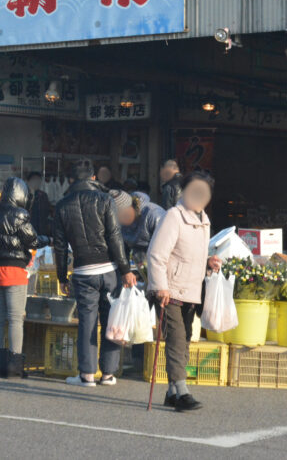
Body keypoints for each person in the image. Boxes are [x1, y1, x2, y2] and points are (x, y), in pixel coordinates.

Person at [52, 160, 136, 387]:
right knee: (112, 321)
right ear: (92, 178)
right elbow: (115, 237)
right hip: (109, 270)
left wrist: (62, 276)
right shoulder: (105, 200)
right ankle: (108, 374)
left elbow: (59, 246)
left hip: (82, 271)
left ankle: (87, 375)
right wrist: (126, 269)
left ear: (71, 180)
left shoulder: (61, 206)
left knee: (87, 322)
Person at [146, 172, 221, 412]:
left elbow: (192, 253)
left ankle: (171, 392)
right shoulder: (173, 217)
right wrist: (160, 287)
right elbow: (156, 254)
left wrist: (208, 262)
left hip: (192, 290)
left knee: (185, 339)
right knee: (177, 340)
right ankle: (182, 391)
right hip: (171, 289)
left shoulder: (204, 220)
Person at [0, 177, 48, 378]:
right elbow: (32, 240)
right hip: (14, 271)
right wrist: (50, 239)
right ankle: (15, 365)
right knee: (15, 319)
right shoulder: (20, 214)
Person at [109, 189, 166, 267]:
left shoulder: (154, 214)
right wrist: (126, 271)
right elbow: (122, 248)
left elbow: (164, 248)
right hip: (141, 263)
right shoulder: (119, 222)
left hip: (161, 262)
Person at [25, 172, 52, 236]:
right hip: (27, 229)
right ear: (28, 181)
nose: (36, 183)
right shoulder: (23, 195)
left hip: (41, 230)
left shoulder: (43, 195)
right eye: (34, 180)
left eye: (38, 181)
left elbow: (47, 212)